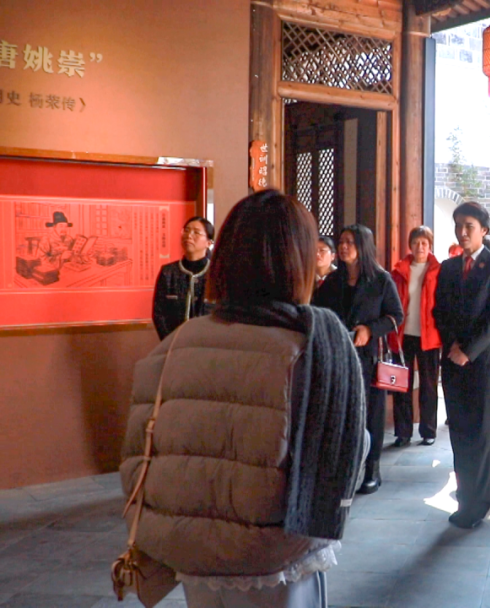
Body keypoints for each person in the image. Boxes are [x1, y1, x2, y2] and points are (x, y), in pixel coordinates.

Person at [120, 190, 366, 607]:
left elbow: (137, 455)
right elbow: (346, 452)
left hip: (191, 552)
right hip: (276, 553)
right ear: (298, 262)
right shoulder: (310, 348)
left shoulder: (176, 344)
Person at [433, 202, 490, 529]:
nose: (462, 232)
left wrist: (468, 350)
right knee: (460, 433)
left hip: (484, 364)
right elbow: (439, 311)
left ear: (484, 230)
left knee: (480, 436)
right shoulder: (449, 267)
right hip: (453, 362)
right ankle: (465, 498)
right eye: (458, 225)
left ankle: (478, 505)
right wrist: (453, 345)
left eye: (469, 226)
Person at [313, 224, 404, 495]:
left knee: (371, 413)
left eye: (350, 242)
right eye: (341, 241)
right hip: (339, 354)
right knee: (343, 411)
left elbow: (396, 316)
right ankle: (346, 466)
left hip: (369, 357)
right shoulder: (333, 281)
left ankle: (372, 468)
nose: (343, 247)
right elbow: (318, 312)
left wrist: (370, 329)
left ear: (363, 246)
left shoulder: (380, 279)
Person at [390, 226, 442, 447]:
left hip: (429, 336)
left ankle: (428, 430)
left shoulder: (439, 270)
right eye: (416, 243)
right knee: (401, 385)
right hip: (403, 336)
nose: (420, 247)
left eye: (424, 243)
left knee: (429, 386)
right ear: (410, 245)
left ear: (430, 246)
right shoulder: (399, 270)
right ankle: (403, 432)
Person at [152, 216, 215, 340]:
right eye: (186, 230)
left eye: (196, 232)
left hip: (208, 343)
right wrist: (170, 342)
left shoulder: (216, 273)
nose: (189, 235)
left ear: (208, 242)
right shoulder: (168, 272)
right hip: (174, 343)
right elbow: (159, 313)